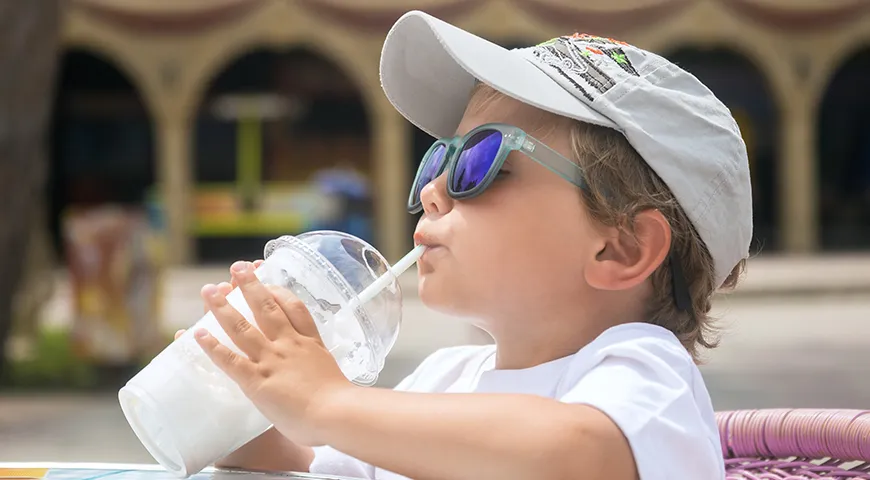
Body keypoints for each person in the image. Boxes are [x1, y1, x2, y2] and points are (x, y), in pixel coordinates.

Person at [179, 10, 752, 480]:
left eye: (480, 161)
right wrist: (246, 400)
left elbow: (575, 454)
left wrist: (325, 404)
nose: (430, 191)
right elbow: (307, 465)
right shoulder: (445, 377)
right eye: (439, 157)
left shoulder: (643, 373)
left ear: (620, 248)